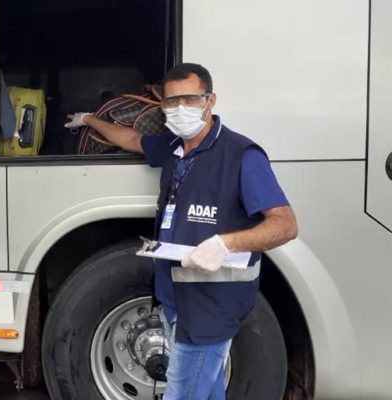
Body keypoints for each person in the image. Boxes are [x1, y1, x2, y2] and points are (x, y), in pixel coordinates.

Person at [65, 63, 298, 399]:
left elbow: (285, 224)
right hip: (175, 299)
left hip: (211, 308)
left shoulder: (240, 156)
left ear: (210, 100)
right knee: (207, 390)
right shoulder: (173, 148)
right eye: (171, 101)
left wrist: (226, 243)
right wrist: (88, 120)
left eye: (190, 99)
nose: (179, 109)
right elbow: (132, 139)